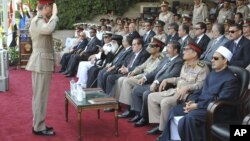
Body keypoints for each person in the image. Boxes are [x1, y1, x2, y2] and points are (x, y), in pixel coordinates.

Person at [159, 46, 240, 141]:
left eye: (216, 58)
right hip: (202, 105)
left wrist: (197, 105)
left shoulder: (231, 79)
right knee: (174, 110)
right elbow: (201, 91)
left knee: (190, 118)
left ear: (225, 60)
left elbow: (221, 100)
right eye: (212, 58)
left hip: (216, 110)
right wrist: (192, 101)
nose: (212, 60)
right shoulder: (212, 73)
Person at [147, 42, 209, 136]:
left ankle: (164, 131)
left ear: (194, 53)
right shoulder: (186, 64)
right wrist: (168, 80)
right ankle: (160, 124)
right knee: (151, 97)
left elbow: (201, 85)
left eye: (186, 50)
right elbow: (180, 79)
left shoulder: (202, 68)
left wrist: (188, 87)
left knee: (165, 102)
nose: (183, 52)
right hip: (175, 90)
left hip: (185, 96)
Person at [26, 0, 58, 136]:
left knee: (39, 96)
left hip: (42, 62)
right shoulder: (38, 20)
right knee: (40, 96)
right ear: (46, 7)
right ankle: (38, 127)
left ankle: (39, 123)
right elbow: (48, 29)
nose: (52, 10)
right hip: (41, 63)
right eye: (51, 7)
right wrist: (55, 16)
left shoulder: (40, 20)